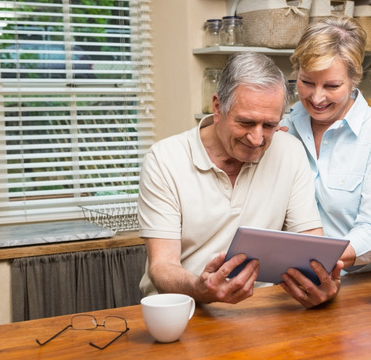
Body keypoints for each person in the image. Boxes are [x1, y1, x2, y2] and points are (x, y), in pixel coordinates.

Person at [138, 52, 344, 308]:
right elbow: (162, 267)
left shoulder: (289, 151)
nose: (257, 139)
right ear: (217, 107)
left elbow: (312, 248)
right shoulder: (165, 158)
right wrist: (200, 289)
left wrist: (321, 282)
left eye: (269, 125)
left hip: (261, 314)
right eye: (246, 122)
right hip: (182, 312)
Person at [281, 16, 371, 272]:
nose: (317, 97)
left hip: (364, 287)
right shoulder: (283, 128)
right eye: (306, 82)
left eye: (332, 85)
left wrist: (320, 261)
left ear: (353, 80)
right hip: (294, 280)